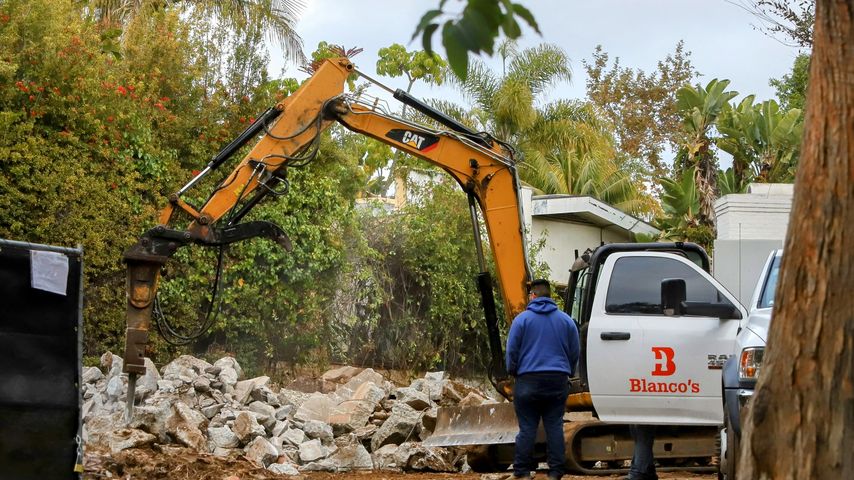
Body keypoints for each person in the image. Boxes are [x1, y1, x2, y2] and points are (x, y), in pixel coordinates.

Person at [505, 279, 580, 480]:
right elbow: (575, 352)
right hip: (557, 380)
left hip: (528, 380)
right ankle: (555, 472)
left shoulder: (522, 320)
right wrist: (568, 371)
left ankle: (522, 473)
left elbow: (512, 351)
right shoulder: (566, 321)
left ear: (533, 296)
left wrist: (513, 372)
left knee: (527, 427)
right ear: (550, 296)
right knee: (554, 425)